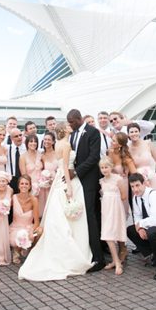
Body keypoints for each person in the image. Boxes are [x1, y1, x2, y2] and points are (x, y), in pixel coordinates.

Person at [18, 122, 93, 281]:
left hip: (58, 179)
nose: (70, 126)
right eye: (67, 125)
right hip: (66, 180)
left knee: (60, 214)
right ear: (64, 129)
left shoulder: (59, 143)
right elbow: (65, 166)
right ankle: (73, 251)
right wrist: (69, 186)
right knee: (66, 214)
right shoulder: (65, 144)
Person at [67, 109, 105, 271]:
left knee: (90, 215)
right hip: (75, 181)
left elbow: (94, 157)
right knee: (79, 215)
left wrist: (76, 171)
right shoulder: (72, 135)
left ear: (78, 119)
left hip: (89, 180)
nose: (70, 125)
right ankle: (84, 250)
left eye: (72, 122)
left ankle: (98, 258)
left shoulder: (93, 132)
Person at [99, 157, 127, 275]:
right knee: (107, 235)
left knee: (114, 233)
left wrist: (114, 202)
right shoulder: (101, 181)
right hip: (106, 209)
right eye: (102, 168)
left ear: (111, 167)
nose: (104, 170)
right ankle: (116, 261)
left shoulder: (118, 179)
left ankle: (117, 261)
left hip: (116, 209)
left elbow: (124, 195)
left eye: (106, 167)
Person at [128, 122, 156, 188]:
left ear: (139, 132)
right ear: (128, 134)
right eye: (131, 132)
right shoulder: (127, 148)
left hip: (151, 177)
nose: (134, 134)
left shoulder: (148, 144)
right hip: (137, 180)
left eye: (136, 131)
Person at [8, 175, 41, 265]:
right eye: (22, 183)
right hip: (15, 228)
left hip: (29, 227)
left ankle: (27, 248)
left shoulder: (34, 200)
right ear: (18, 186)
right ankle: (17, 250)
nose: (24, 186)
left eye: (26, 184)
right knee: (19, 235)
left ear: (30, 186)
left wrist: (31, 233)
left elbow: (36, 221)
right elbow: (5, 208)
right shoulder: (14, 198)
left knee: (39, 231)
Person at [37, 131, 58, 218]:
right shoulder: (42, 155)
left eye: (49, 140)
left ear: (53, 142)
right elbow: (40, 169)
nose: (46, 141)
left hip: (56, 182)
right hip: (46, 184)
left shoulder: (58, 153)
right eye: (45, 139)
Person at [5, 128, 24, 195]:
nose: (19, 137)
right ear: (11, 138)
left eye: (20, 135)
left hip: (23, 179)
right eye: (16, 136)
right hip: (11, 180)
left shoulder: (27, 148)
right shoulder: (6, 148)